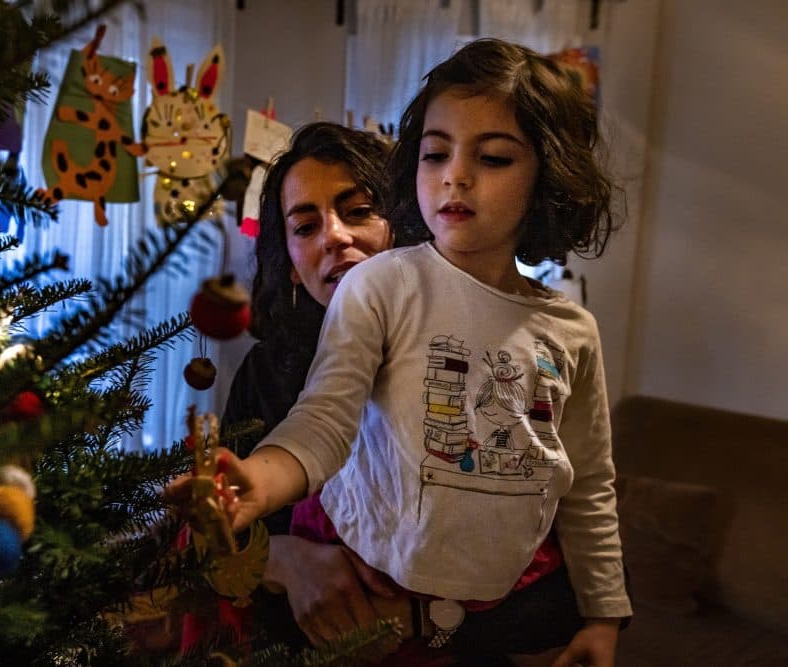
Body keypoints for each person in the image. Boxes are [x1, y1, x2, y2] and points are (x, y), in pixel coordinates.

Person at [170, 38, 631, 666]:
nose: (455, 175)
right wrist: (260, 482)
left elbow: (587, 487)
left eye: (493, 157)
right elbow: (324, 420)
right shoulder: (378, 289)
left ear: (547, 177)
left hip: (484, 604)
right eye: (435, 153)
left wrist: (604, 616)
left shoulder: (572, 330)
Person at [212, 121, 413, 653]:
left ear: (403, 227)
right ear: (294, 269)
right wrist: (287, 560)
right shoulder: (264, 372)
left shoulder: (457, 358)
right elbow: (212, 534)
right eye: (305, 227)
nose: (335, 237)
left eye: (359, 212)